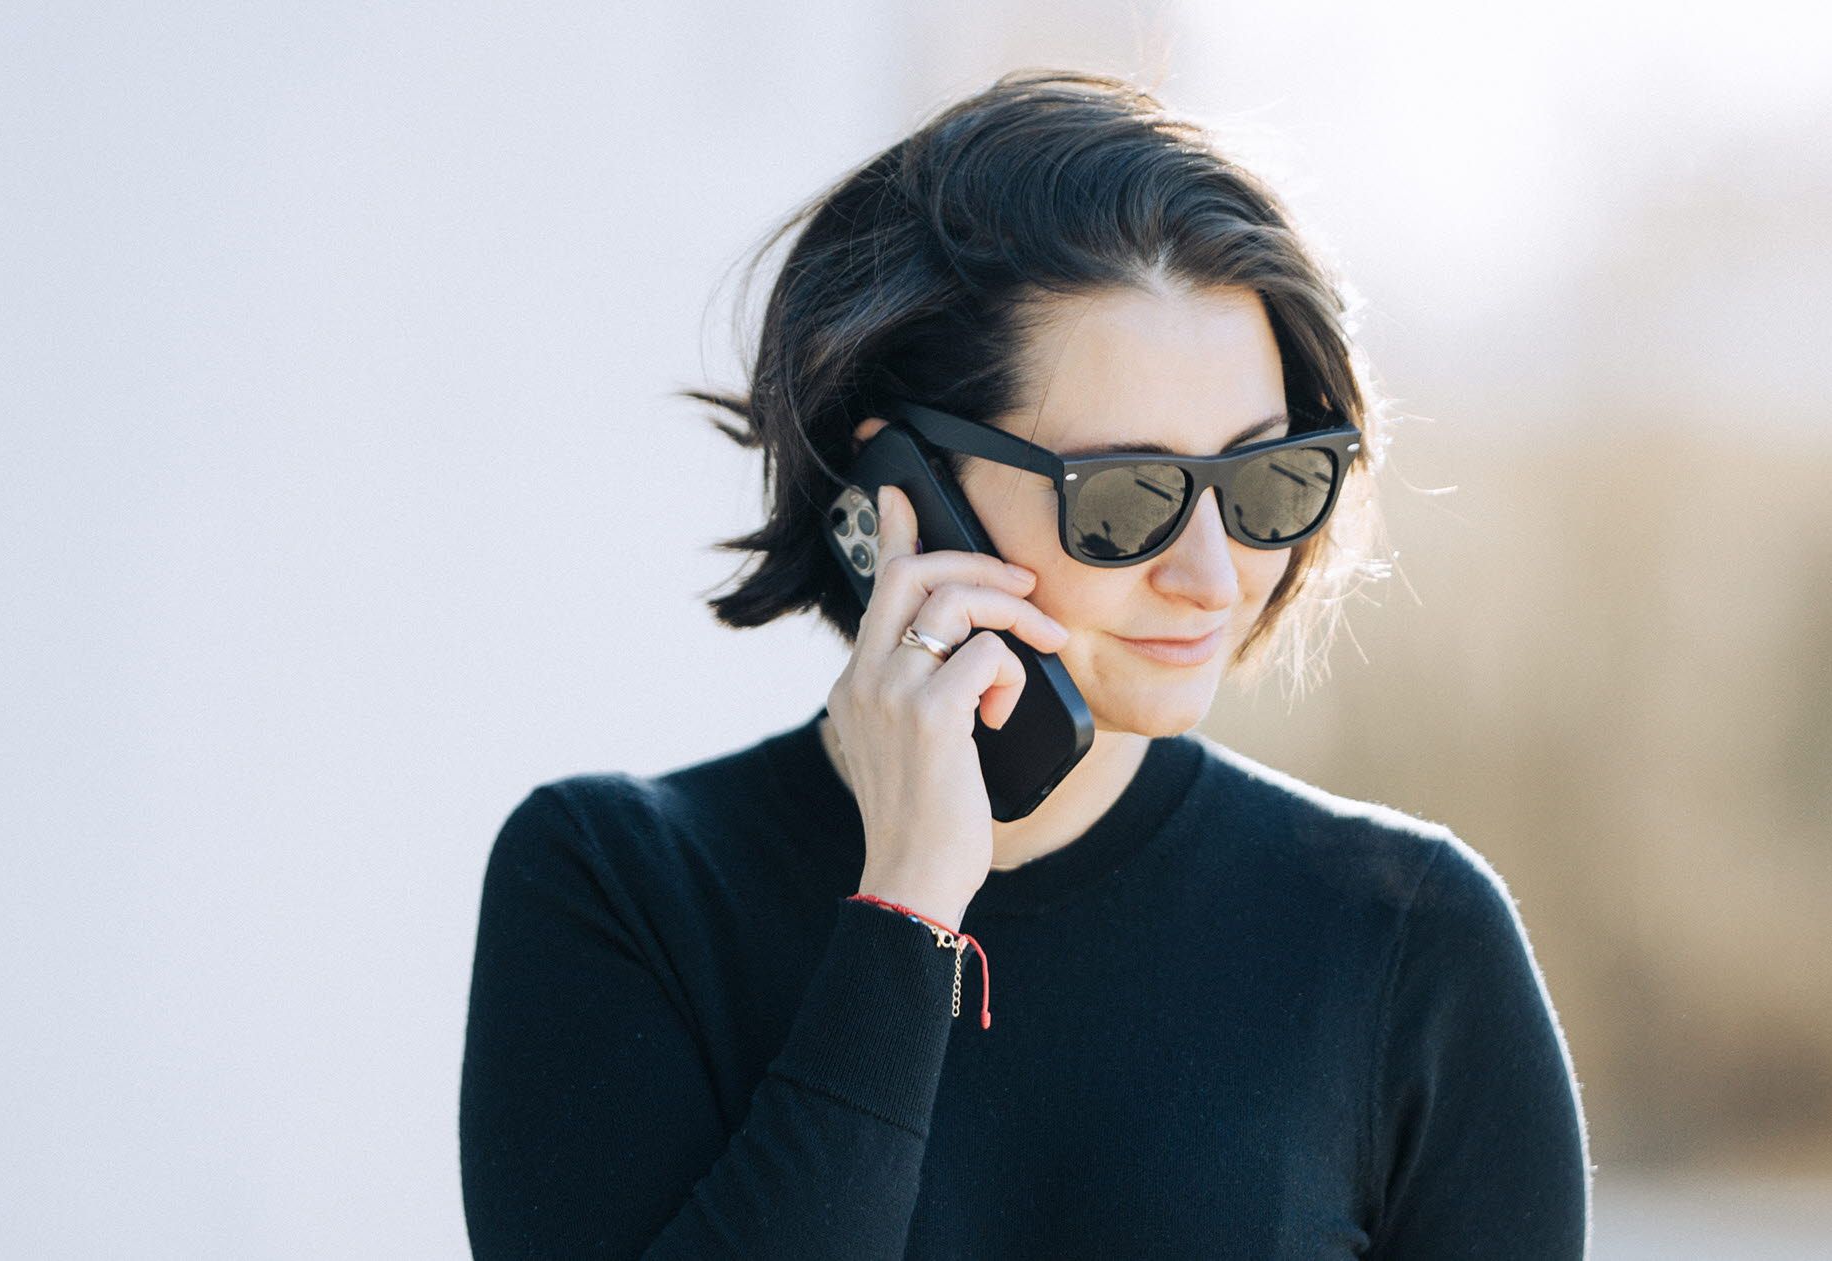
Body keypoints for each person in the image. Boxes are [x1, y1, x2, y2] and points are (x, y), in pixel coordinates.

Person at [459, 69, 1591, 1258]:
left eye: (1265, 480)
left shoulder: (1405, 936)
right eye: (1127, 497)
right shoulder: (614, 888)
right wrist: (904, 908)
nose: (1212, 574)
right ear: (902, 495)